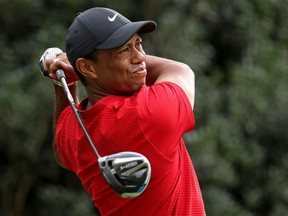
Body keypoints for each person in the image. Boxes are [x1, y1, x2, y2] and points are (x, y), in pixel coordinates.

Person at [40, 7, 206, 216]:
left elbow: (60, 152)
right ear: (87, 68)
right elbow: (180, 71)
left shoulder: (74, 132)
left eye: (138, 43)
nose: (140, 57)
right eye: (123, 50)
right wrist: (71, 68)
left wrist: (63, 81)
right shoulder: (148, 115)